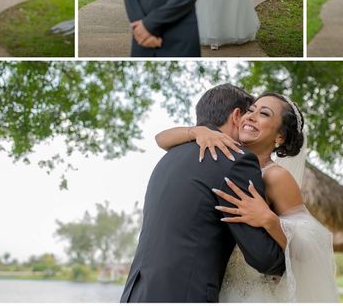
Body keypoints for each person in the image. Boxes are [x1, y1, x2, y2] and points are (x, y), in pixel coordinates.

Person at [156, 93, 339, 302]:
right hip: (216, 290)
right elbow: (160, 139)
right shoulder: (224, 155)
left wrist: (269, 220)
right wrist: (197, 131)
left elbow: (311, 246)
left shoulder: (275, 176)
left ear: (279, 137)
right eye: (250, 110)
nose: (251, 116)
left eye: (264, 114)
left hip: (253, 293)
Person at [120, 84, 286, 302]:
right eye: (248, 113)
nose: (250, 121)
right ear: (237, 116)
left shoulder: (169, 157)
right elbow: (263, 258)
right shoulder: (235, 161)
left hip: (136, 293)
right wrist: (292, 259)